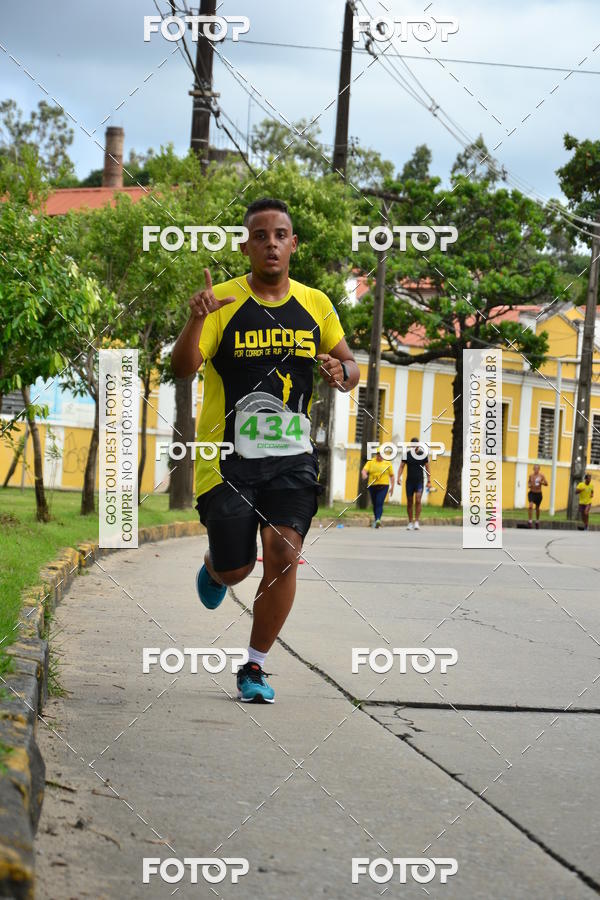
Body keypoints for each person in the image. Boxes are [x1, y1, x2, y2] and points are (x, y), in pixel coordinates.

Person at [171, 198, 359, 704]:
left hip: (292, 457)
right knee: (237, 570)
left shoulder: (316, 304)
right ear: (246, 245)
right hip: (228, 458)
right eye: (260, 235)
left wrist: (344, 374)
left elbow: (350, 365)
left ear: (293, 244)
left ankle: (254, 667)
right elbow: (183, 369)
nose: (271, 242)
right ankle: (216, 566)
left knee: (283, 552)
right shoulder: (222, 303)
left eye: (280, 234)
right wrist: (195, 320)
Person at [397, 437, 431, 531]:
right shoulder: (406, 455)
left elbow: (428, 468)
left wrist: (429, 481)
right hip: (409, 482)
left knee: (418, 500)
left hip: (419, 481)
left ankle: (416, 521)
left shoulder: (423, 455)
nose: (414, 447)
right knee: (409, 501)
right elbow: (401, 467)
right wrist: (398, 477)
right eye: (412, 445)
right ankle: (410, 522)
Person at [361, 449, 394, 528]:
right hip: (373, 485)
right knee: (375, 503)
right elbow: (364, 470)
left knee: (379, 502)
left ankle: (378, 519)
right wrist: (364, 474)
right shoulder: (371, 462)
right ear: (376, 455)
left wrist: (392, 487)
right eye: (379, 454)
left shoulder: (387, 463)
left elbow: (392, 475)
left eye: (382, 454)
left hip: (384, 485)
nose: (380, 456)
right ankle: (377, 520)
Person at [527, 464, 548, 529]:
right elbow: (529, 482)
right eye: (535, 468)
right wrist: (529, 485)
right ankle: (530, 521)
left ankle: (537, 521)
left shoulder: (541, 476)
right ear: (533, 469)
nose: (536, 470)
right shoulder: (531, 475)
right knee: (530, 506)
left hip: (538, 494)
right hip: (532, 493)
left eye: (537, 469)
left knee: (537, 508)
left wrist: (541, 482)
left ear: (539, 469)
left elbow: (546, 484)